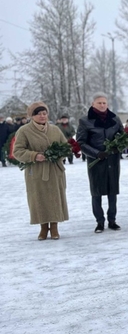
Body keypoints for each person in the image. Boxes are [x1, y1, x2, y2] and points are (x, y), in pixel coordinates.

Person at [12, 102, 69, 240]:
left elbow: (65, 146)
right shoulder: (24, 131)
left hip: (55, 170)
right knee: (39, 198)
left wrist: (58, 154)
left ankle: (54, 226)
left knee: (55, 197)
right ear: (32, 116)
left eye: (44, 113)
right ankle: (43, 227)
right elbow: (17, 151)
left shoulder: (55, 130)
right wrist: (34, 155)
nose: (42, 116)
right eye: (39, 114)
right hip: (36, 171)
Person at [76, 93, 124, 233]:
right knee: (96, 192)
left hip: (112, 160)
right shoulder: (85, 121)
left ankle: (112, 220)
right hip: (96, 162)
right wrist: (96, 153)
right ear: (93, 104)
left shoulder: (114, 119)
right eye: (99, 103)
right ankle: (100, 221)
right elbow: (81, 142)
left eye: (104, 103)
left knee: (112, 192)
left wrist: (118, 147)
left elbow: (123, 137)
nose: (102, 105)